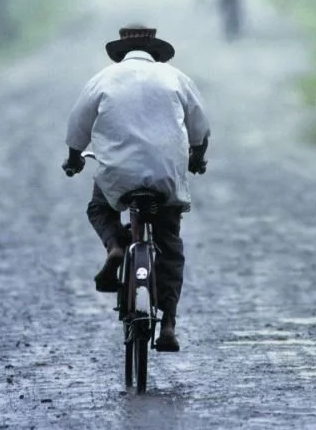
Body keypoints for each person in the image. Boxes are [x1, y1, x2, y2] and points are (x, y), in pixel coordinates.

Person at [63, 24, 210, 352]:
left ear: (121, 54)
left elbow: (77, 128)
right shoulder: (174, 77)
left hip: (118, 175)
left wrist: (74, 159)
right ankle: (168, 322)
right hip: (165, 176)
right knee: (169, 241)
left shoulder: (102, 79)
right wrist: (197, 157)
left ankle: (116, 245)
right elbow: (199, 126)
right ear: (156, 53)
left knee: (99, 206)